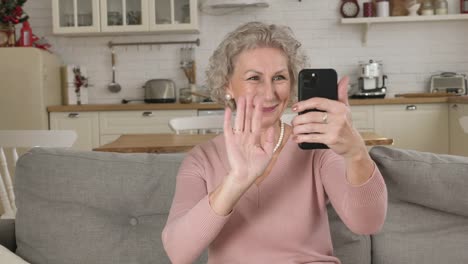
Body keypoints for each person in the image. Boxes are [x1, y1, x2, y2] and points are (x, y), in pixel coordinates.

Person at [162, 21, 387, 264]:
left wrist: (356, 154)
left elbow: (367, 223)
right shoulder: (202, 159)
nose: (269, 94)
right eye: (254, 78)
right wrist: (236, 181)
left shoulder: (316, 149)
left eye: (279, 77)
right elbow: (178, 252)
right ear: (228, 86)